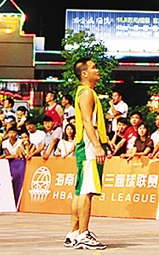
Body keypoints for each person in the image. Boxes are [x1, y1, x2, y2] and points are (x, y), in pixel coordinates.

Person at [65, 58, 109, 250]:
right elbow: (87, 122)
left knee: (80, 189)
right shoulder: (87, 93)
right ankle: (83, 233)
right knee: (87, 190)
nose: (96, 70)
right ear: (84, 73)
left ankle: (74, 232)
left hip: (86, 144)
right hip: (89, 146)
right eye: (93, 68)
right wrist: (98, 146)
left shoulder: (83, 92)